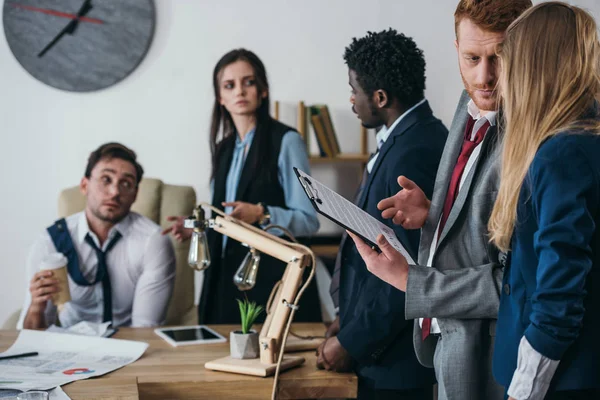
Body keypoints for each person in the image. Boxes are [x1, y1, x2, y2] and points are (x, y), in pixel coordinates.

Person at [347, 1, 531, 399]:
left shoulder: (536, 138)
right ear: (456, 49)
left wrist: (409, 282)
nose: (485, 77)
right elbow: (484, 229)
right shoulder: (467, 108)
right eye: (472, 58)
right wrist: (435, 215)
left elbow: (517, 281)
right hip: (450, 348)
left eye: (500, 57)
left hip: (496, 359)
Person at [318, 29, 447, 400]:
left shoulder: (414, 153)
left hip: (395, 365)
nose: (352, 99)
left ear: (380, 97)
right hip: (382, 355)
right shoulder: (406, 138)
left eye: (354, 89)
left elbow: (401, 272)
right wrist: (346, 322)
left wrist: (353, 343)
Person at [487, 3, 600, 399]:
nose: (500, 81)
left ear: (533, 69)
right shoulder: (585, 139)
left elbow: (560, 293)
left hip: (559, 380)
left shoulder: (562, 152)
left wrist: (523, 389)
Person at [163, 49, 320, 324]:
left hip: (272, 283)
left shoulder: (287, 141)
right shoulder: (223, 149)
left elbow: (308, 221)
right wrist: (194, 227)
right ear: (220, 98)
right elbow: (225, 220)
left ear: (262, 90)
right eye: (229, 85)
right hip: (224, 280)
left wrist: (262, 214)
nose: (240, 91)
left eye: (248, 82)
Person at [17, 142, 176, 329]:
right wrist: (36, 307)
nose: (115, 192)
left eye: (126, 183)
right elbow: (34, 335)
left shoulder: (153, 241)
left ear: (135, 195)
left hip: (130, 344)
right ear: (85, 186)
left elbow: (145, 328)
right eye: (106, 179)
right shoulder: (51, 241)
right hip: (71, 345)